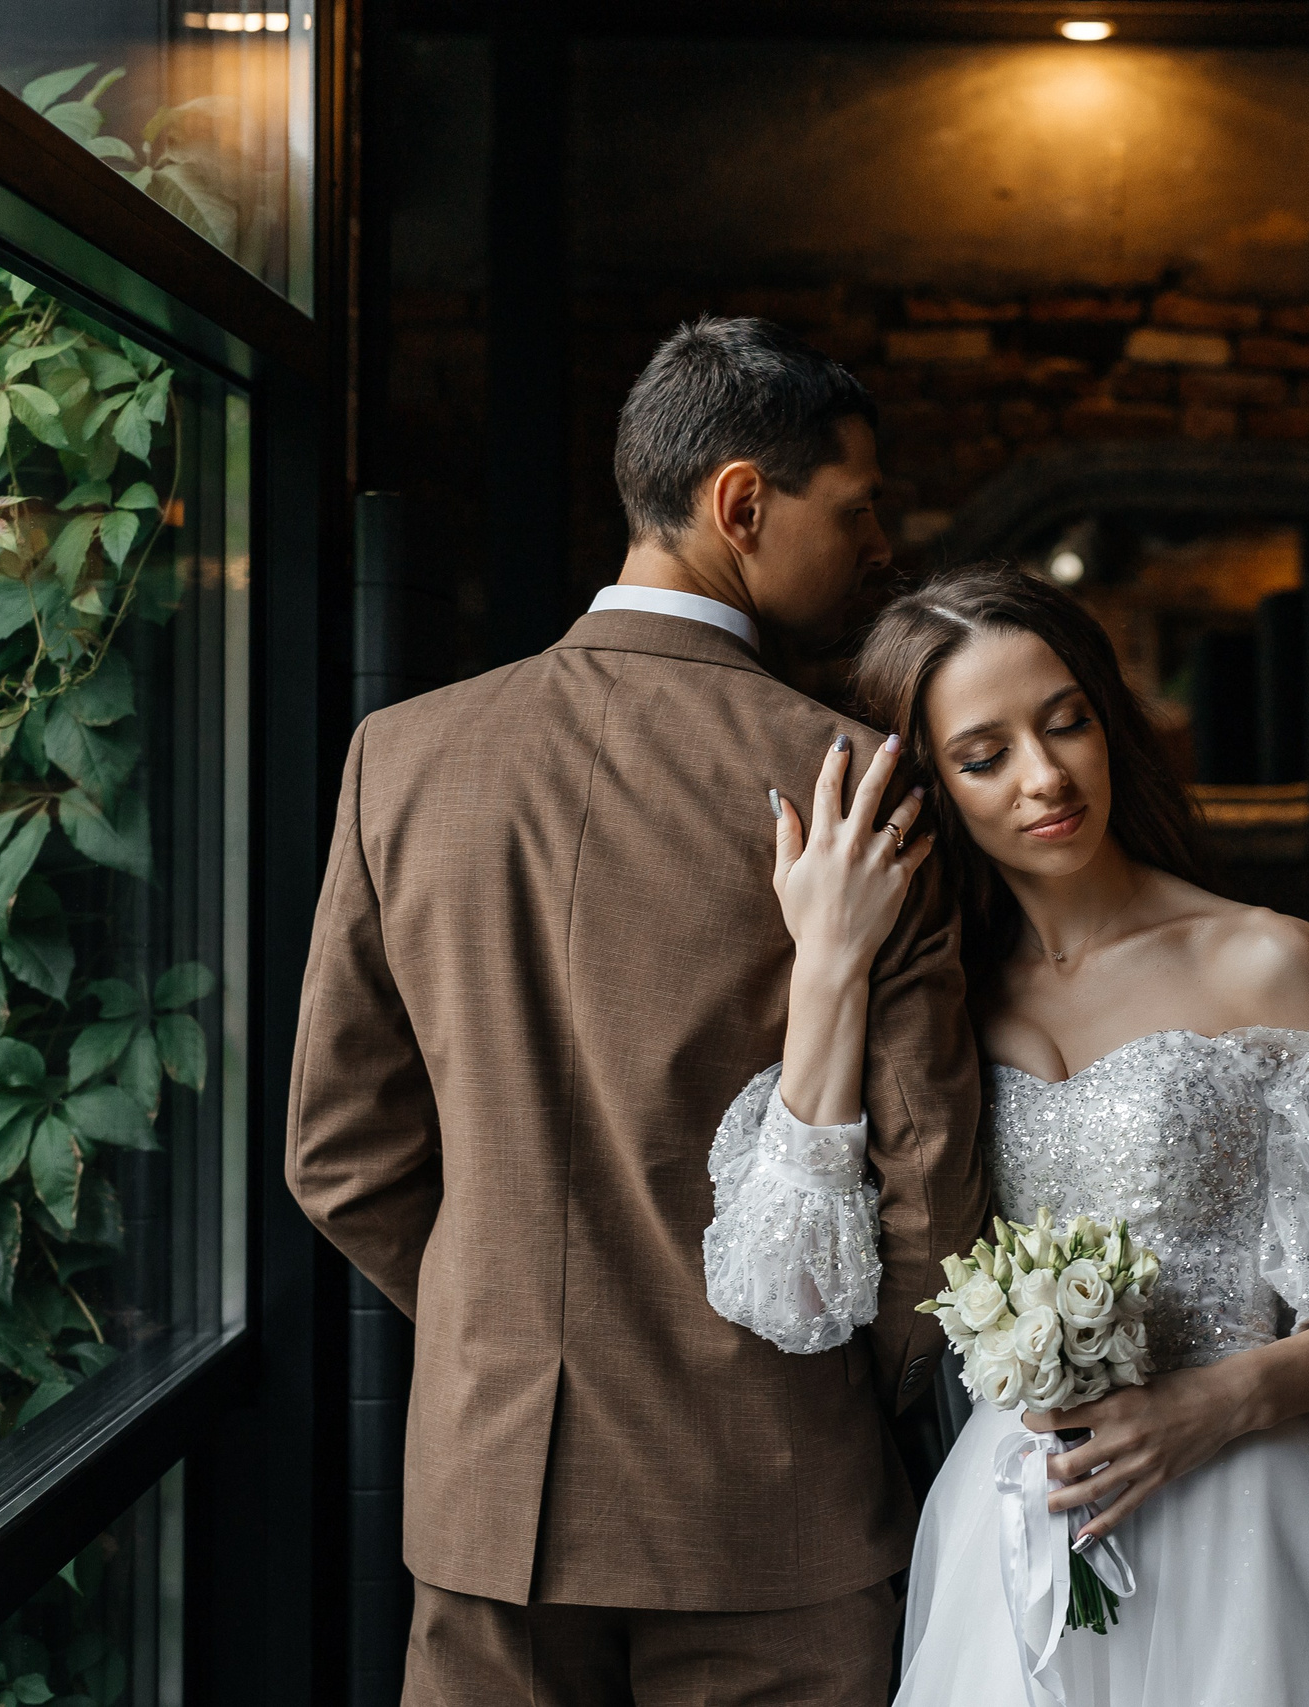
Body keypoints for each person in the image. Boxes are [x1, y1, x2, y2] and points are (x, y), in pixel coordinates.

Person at [287, 317, 989, 1705]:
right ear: (741, 502)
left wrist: (506, 1322)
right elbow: (931, 1187)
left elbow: (340, 1152)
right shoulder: (853, 780)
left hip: (494, 1502)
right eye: (853, 509)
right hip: (776, 1504)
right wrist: (868, 1390)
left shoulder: (404, 757)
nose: (878, 546)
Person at [706, 563, 1309, 1706]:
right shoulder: (926, 1009)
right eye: (985, 757)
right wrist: (831, 962)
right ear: (929, 786)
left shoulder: (1262, 958)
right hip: (1015, 1533)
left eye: (1067, 723)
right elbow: (784, 1289)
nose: (1045, 777)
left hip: (1256, 1527)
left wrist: (1220, 1402)